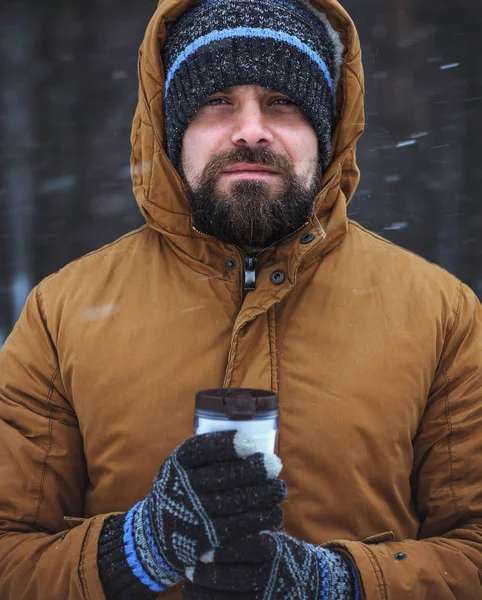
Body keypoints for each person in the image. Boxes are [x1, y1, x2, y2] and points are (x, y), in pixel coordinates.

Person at [0, 0, 481, 598]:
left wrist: (343, 585)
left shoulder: (442, 316)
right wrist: (135, 550)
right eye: (216, 100)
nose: (251, 129)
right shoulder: (61, 314)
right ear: (173, 131)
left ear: (326, 133)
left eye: (283, 102)